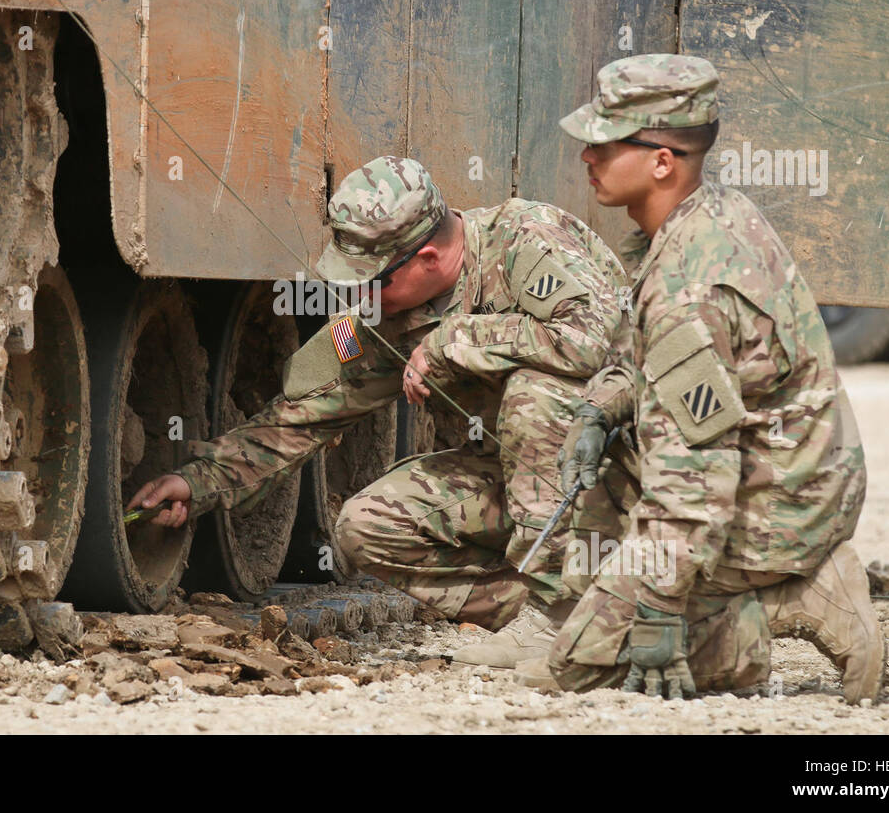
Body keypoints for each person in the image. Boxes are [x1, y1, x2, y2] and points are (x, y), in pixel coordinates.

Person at [128, 155, 625, 668]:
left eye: (371, 281)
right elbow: (310, 413)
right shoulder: (391, 316)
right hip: (524, 485)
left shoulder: (528, 239)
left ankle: (563, 614)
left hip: (625, 474)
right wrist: (200, 480)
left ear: (429, 258)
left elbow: (595, 340)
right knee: (367, 526)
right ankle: (591, 612)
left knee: (534, 395)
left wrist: (455, 339)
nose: (358, 296)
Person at [543, 53, 885, 703]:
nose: (587, 156)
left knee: (580, 668)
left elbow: (698, 468)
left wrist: (661, 612)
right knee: (612, 456)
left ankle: (799, 598)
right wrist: (599, 409)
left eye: (604, 143)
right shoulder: (703, 216)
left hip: (781, 503)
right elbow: (644, 365)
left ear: (662, 161)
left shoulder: (687, 284)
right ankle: (610, 603)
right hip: (796, 468)